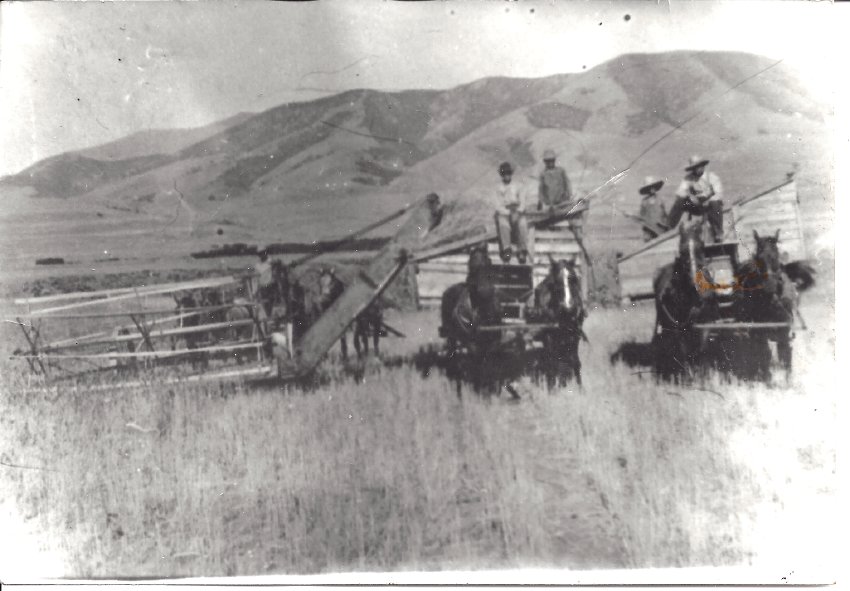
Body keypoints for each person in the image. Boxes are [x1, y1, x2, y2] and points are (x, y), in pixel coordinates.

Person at [667, 155, 724, 242]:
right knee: (680, 201)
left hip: (710, 206)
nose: (696, 169)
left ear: (703, 166)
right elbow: (680, 192)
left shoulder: (713, 177)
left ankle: (718, 233)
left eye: (698, 166)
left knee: (715, 203)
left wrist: (707, 198)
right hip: (696, 206)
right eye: (694, 168)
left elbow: (719, 194)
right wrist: (689, 196)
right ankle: (669, 227)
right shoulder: (688, 178)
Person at [494, 161, 530, 263]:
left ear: (511, 174)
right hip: (505, 211)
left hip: (517, 210)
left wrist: (518, 212)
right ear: (501, 175)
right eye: (504, 173)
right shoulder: (498, 188)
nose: (507, 176)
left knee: (522, 224)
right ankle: (507, 250)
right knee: (503, 224)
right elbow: (498, 205)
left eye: (508, 173)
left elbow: (523, 201)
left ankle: (522, 251)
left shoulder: (518, 186)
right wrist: (508, 213)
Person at [637, 176, 669, 241]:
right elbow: (641, 215)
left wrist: (665, 224)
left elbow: (665, 214)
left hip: (660, 227)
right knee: (648, 241)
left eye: (653, 187)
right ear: (647, 189)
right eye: (650, 187)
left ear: (656, 187)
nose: (652, 189)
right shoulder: (644, 201)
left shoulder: (661, 199)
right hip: (649, 228)